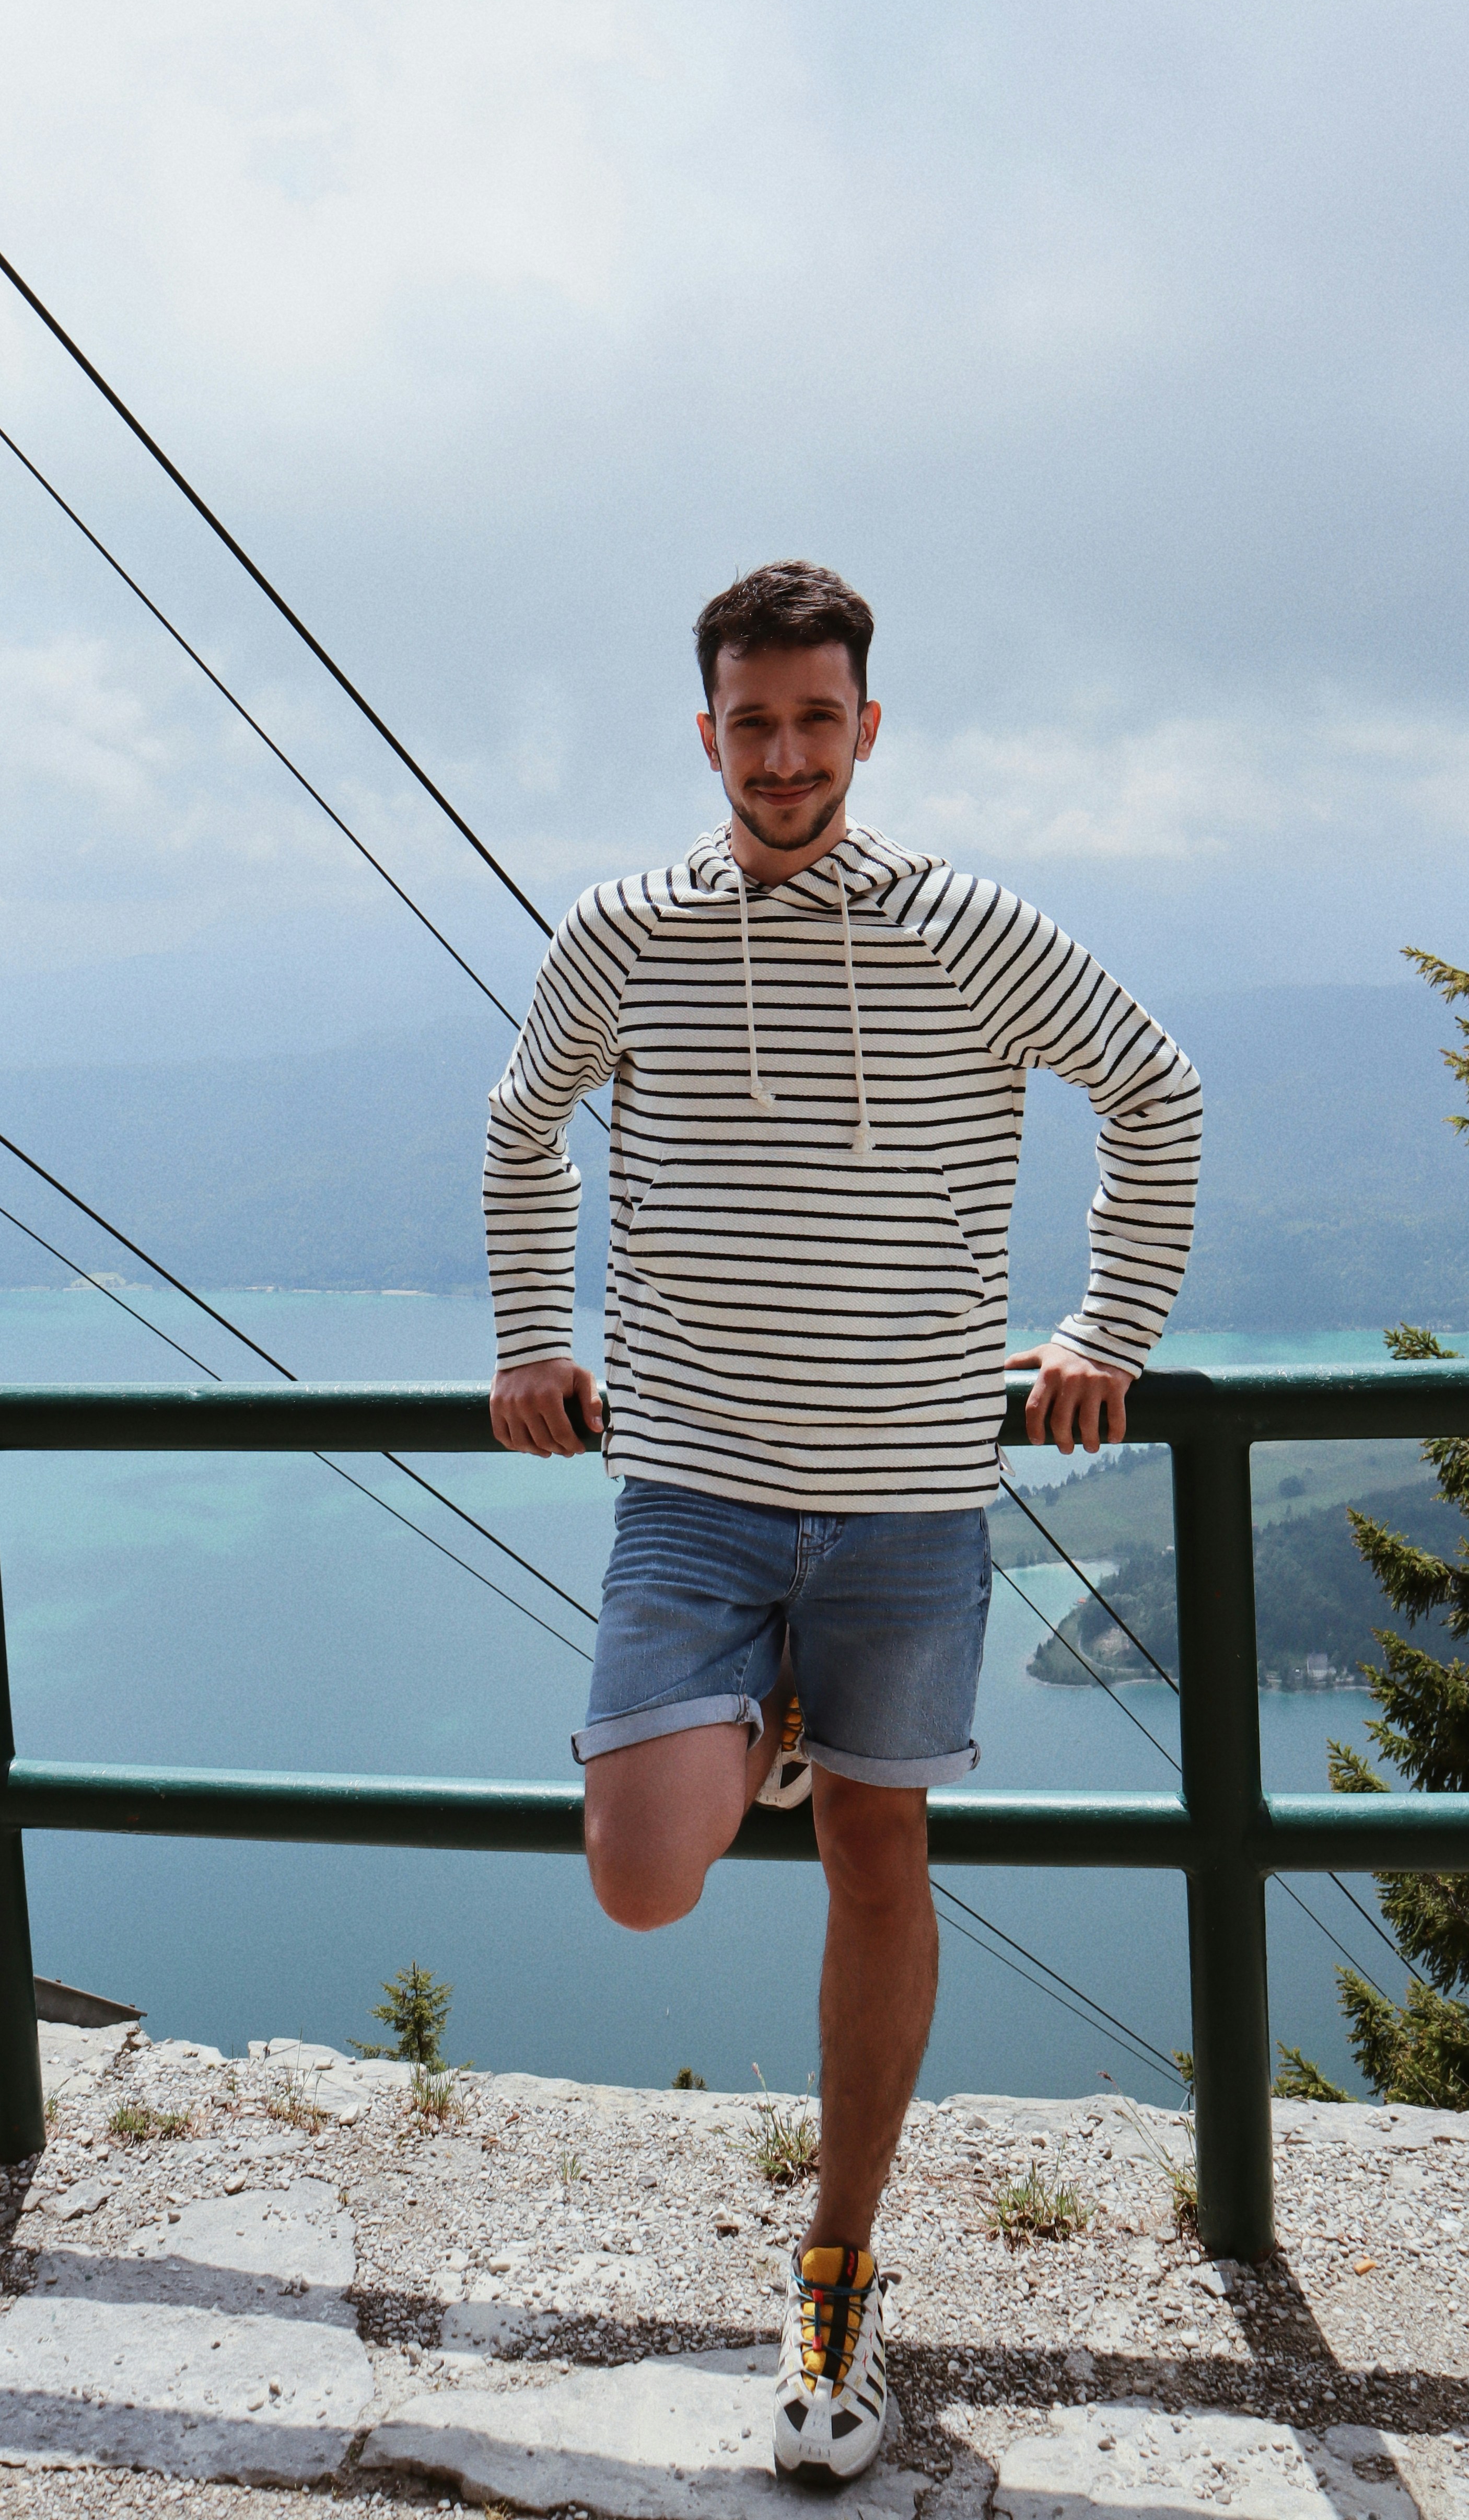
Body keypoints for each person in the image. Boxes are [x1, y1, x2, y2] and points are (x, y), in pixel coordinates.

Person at [484, 560, 1202, 2486]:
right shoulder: (625, 934)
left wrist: (1103, 1334)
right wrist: (531, 1338)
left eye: (818, 719)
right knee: (642, 1872)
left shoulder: (971, 931)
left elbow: (1157, 1095)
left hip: (904, 1503)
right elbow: (520, 1120)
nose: (785, 754)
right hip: (697, 1494)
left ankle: (837, 2271)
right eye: (751, 721)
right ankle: (764, 1730)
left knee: (886, 1860)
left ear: (866, 729)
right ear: (704, 731)